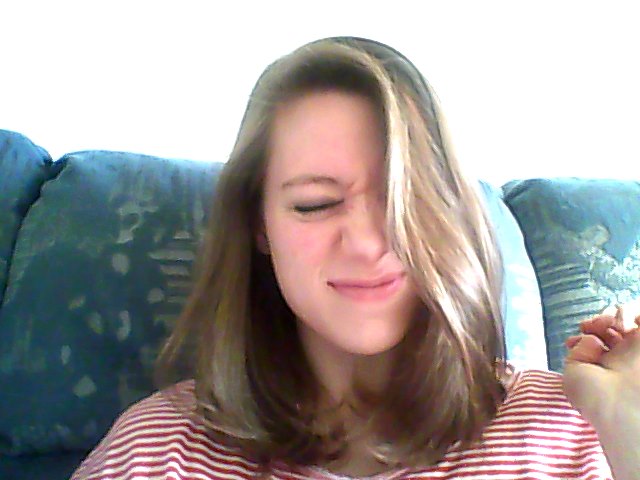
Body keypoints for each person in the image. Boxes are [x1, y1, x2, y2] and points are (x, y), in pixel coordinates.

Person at [71, 37, 639, 479]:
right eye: (315, 204)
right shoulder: (158, 451)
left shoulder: (576, 426)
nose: (368, 243)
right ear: (258, 224)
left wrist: (628, 425)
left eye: (405, 197)